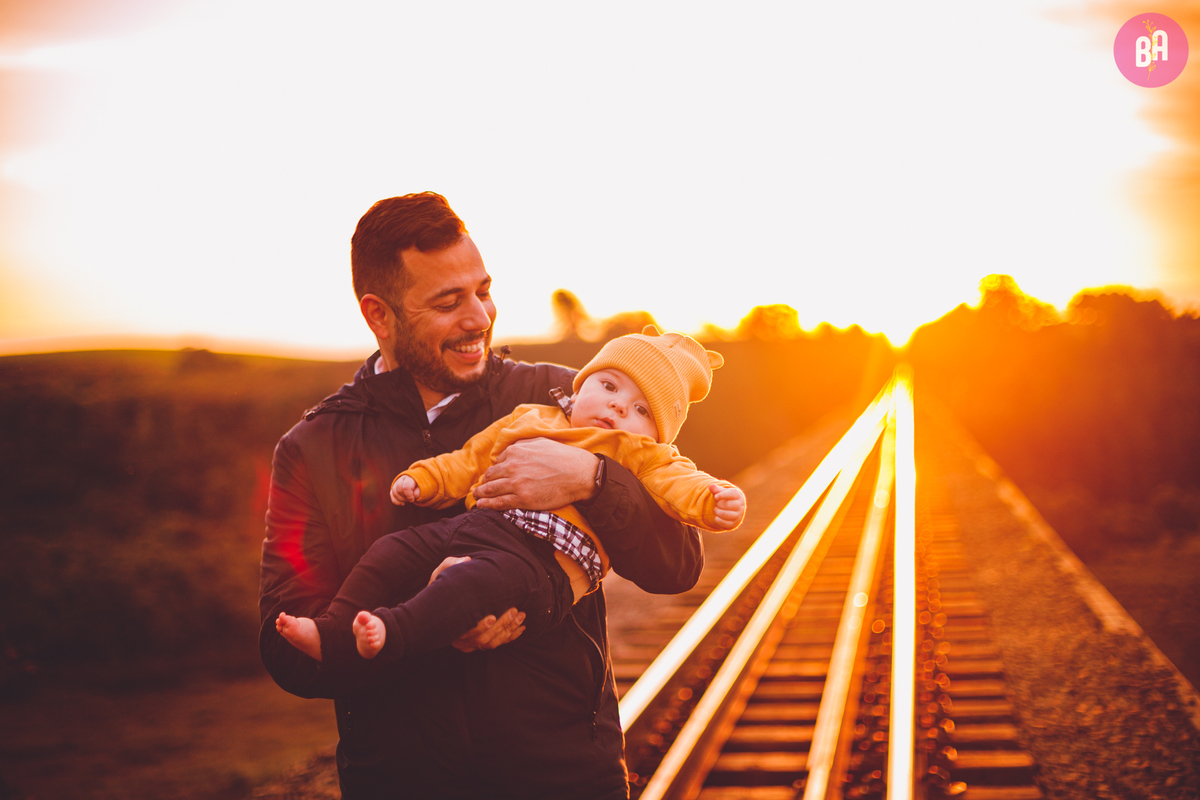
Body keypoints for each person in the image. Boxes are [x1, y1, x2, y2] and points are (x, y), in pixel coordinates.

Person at [258, 192, 704, 800]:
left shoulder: (564, 400)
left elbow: (678, 563)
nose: (479, 318)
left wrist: (593, 480)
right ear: (379, 316)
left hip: (563, 775)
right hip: (403, 783)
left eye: (484, 291)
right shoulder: (314, 447)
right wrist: (436, 621)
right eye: (448, 302)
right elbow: (287, 651)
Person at [275, 327, 746, 665]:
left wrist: (712, 499)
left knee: (465, 585)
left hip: (541, 563)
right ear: (582, 383)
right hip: (478, 525)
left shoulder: (641, 454)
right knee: (391, 550)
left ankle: (389, 632)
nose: (618, 406)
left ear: (657, 433)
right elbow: (470, 459)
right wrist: (424, 479)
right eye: (608, 386)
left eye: (642, 409)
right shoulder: (531, 415)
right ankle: (333, 632)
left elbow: (680, 485)